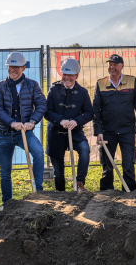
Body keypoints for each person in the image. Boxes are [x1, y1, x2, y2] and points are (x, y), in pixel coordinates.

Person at [0, 51, 47, 204]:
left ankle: (38, 193)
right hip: (4, 134)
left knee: (38, 152)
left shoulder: (33, 85)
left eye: (16, 67)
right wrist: (11, 122)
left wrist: (33, 121)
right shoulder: (0, 87)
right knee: (5, 171)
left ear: (23, 68)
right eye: (10, 67)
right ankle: (7, 203)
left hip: (25, 132)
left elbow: (42, 104)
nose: (13, 70)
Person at [93, 54, 136, 192]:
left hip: (127, 130)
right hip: (107, 131)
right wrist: (98, 131)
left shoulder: (132, 81)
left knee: (128, 165)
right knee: (107, 166)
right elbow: (95, 110)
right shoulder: (100, 84)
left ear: (122, 66)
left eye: (115, 64)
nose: (112, 67)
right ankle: (106, 193)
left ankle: (130, 193)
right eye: (110, 64)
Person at [45, 58, 94, 192]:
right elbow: (47, 112)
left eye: (70, 75)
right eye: (64, 75)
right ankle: (61, 194)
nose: (67, 78)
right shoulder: (53, 90)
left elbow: (90, 112)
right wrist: (60, 120)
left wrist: (77, 121)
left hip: (75, 131)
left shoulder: (83, 92)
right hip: (56, 132)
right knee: (58, 170)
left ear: (76, 75)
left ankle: (80, 184)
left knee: (84, 150)